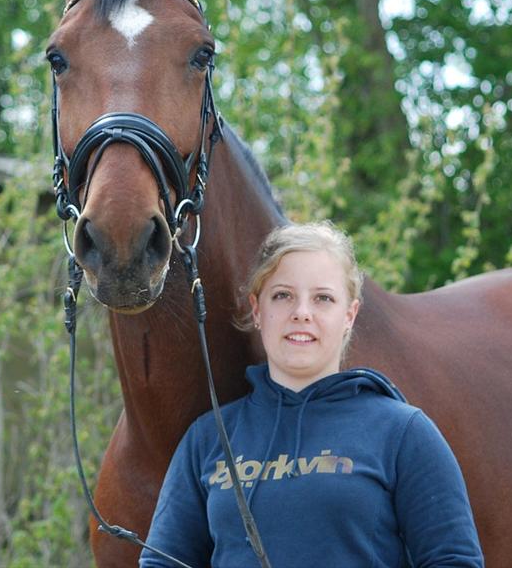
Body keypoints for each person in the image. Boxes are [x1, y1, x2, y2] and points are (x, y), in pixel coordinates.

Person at [140, 222, 484, 567]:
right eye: (283, 295)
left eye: (323, 298)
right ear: (257, 309)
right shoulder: (208, 438)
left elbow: (454, 560)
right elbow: (163, 563)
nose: (301, 313)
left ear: (349, 315)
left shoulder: (403, 433)